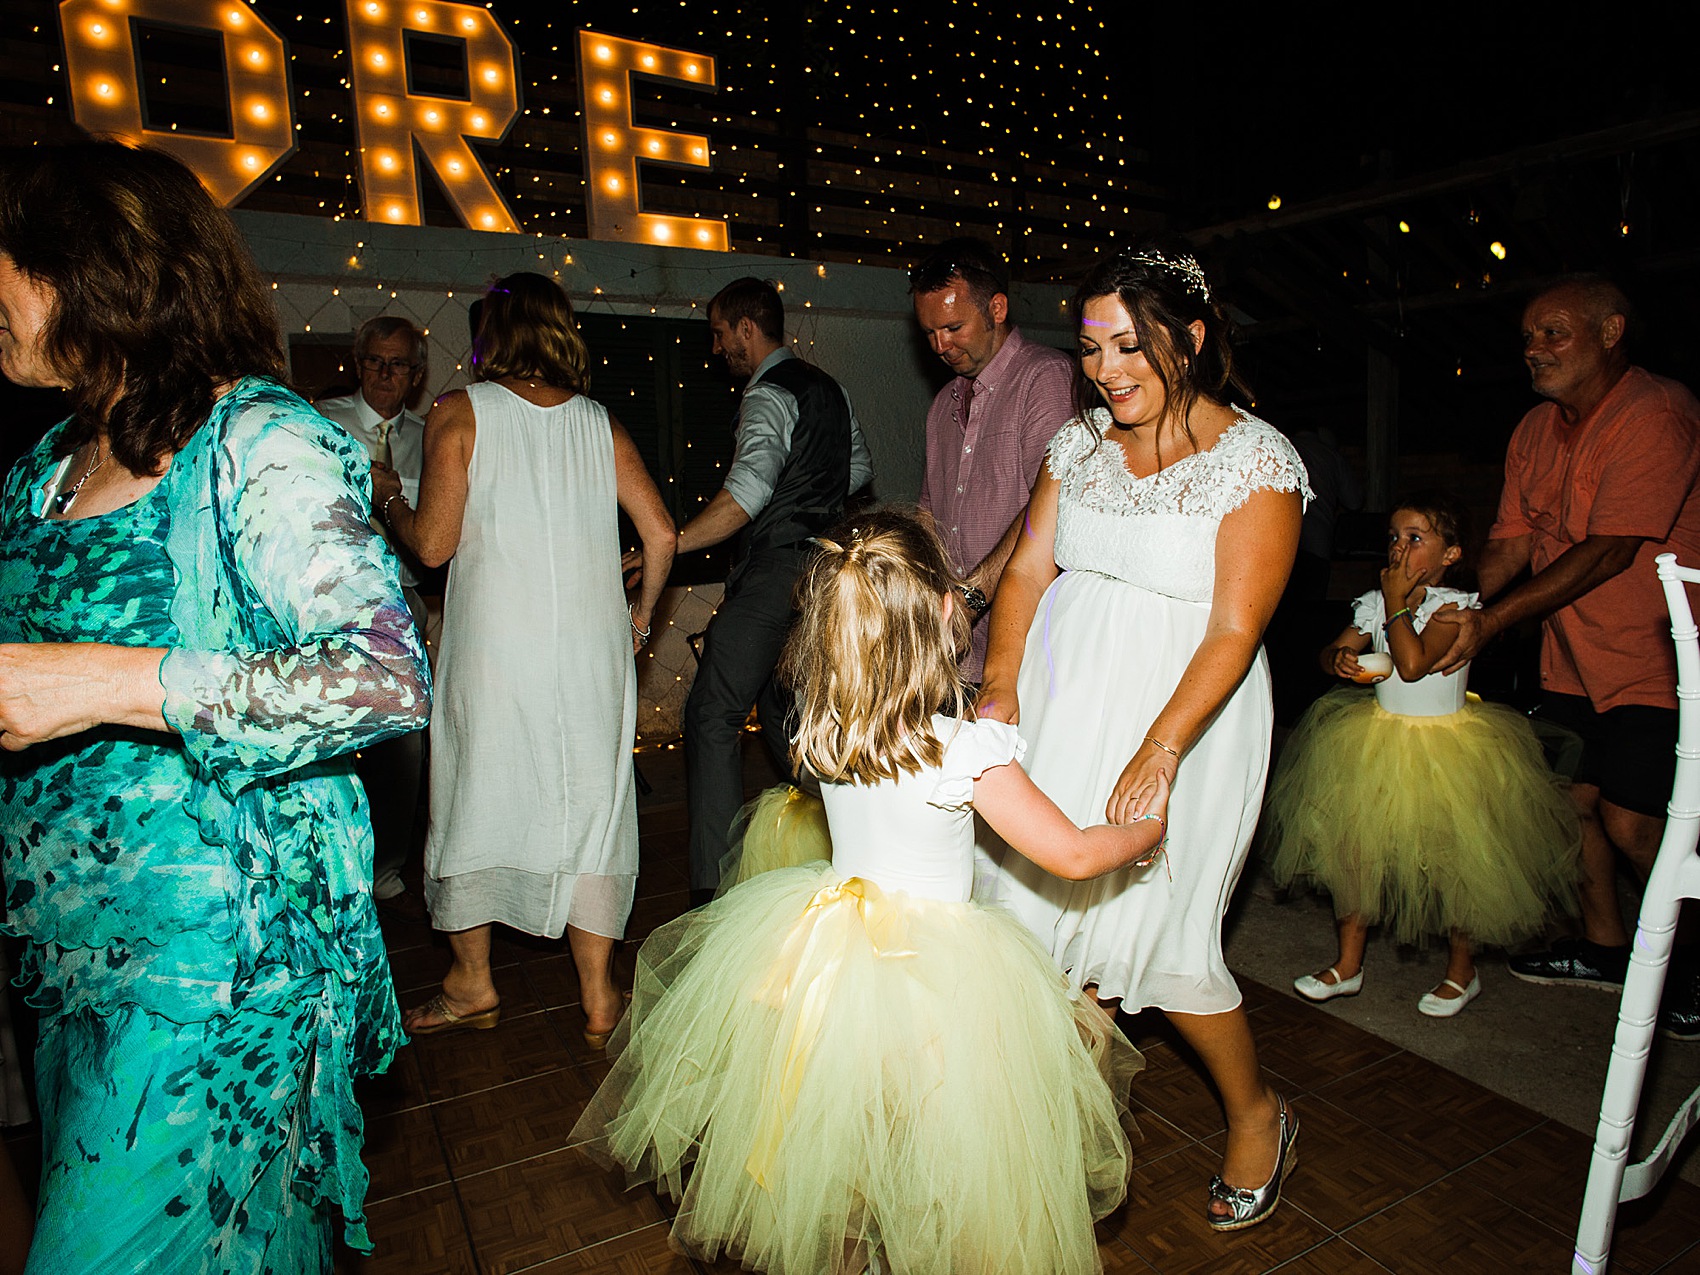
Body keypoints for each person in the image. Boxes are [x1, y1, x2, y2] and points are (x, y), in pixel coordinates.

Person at [0, 140, 429, 1270]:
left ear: (94, 273)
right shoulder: (42, 465)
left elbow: (383, 672)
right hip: (67, 951)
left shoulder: (258, 441)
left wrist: (100, 681)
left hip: (218, 970)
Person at [571, 509, 1166, 1274]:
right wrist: (1145, 831)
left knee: (838, 1156)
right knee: (953, 1160)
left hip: (829, 958)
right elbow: (1076, 854)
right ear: (949, 613)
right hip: (938, 980)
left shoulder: (826, 731)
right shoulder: (962, 751)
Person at [977, 241, 1310, 1230]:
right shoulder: (1076, 448)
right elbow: (1028, 574)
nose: (1105, 369)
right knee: (1043, 940)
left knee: (1165, 947)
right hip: (1062, 700)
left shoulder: (1255, 462)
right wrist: (999, 687)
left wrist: (1160, 746)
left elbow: (1233, 628)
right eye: (1090, 347)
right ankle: (1073, 1134)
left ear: (1190, 339)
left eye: (1129, 345)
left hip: (1188, 720)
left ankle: (1256, 1116)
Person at [373, 272, 674, 1046]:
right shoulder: (600, 423)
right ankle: (600, 997)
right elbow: (663, 534)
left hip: (496, 651)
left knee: (479, 792)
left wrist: (388, 500)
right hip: (591, 651)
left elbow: (434, 544)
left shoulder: (458, 412)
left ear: (489, 339)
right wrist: (638, 622)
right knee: (592, 805)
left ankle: (472, 982)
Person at [1435, 276, 1700, 1040]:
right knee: (1571, 804)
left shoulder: (1657, 414)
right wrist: (1451, 606)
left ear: (1612, 332)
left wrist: (1489, 625)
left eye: (1554, 333)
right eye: (1527, 336)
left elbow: (1612, 549)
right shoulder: (1534, 429)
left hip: (1657, 659)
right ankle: (1604, 947)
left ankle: (1694, 965)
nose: (1534, 349)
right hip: (1571, 659)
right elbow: (1512, 544)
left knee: (1634, 820)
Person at [1265, 494, 1580, 1016]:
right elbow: (1333, 651)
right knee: (1355, 853)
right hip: (1375, 740)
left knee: (1454, 862)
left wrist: (1395, 603)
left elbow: (1411, 665)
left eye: (1416, 538)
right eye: (1393, 536)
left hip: (1446, 749)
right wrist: (1340, 657)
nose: (1400, 548)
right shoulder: (1373, 601)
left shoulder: (1455, 608)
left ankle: (1462, 971)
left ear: (1450, 554)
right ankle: (1347, 965)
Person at [661, 276, 872, 904]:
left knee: (711, 712)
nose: (717, 349)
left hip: (776, 571)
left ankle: (715, 891)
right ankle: (853, 851)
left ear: (747, 329)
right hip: (825, 575)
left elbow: (746, 493)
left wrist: (669, 541)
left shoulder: (768, 393)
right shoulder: (827, 389)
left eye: (721, 335)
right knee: (790, 720)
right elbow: (857, 468)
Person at [910, 237, 1075, 681]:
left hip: (1027, 648)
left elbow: (1051, 507)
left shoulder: (1044, 377)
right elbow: (930, 519)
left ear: (997, 309)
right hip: (958, 657)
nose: (940, 345)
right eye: (929, 333)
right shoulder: (941, 404)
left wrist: (973, 597)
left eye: (953, 327)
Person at [317, 316, 431, 910]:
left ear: (416, 376)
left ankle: (385, 864)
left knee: (402, 742)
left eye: (399, 365)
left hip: (401, 603)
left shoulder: (434, 434)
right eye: (375, 362)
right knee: (330, 733)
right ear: (358, 364)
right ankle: (328, 861)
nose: (385, 375)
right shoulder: (320, 422)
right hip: (328, 604)